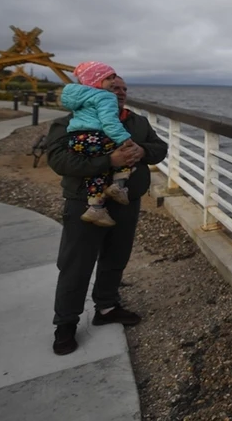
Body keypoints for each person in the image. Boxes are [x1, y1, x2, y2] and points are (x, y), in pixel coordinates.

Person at [47, 75, 168, 355]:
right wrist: (108, 161)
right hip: (83, 202)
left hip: (126, 200)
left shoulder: (135, 122)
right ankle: (65, 323)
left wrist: (143, 150)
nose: (122, 93)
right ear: (96, 90)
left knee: (116, 256)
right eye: (115, 88)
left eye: (125, 89)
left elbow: (159, 148)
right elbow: (58, 160)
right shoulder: (70, 122)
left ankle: (107, 306)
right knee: (76, 263)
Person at [61, 61, 136, 227]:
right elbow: (109, 122)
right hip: (95, 137)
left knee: (96, 173)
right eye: (108, 78)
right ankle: (118, 185)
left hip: (77, 139)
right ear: (95, 80)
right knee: (126, 153)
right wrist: (124, 138)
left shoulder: (80, 97)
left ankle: (95, 208)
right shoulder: (106, 96)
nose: (113, 82)